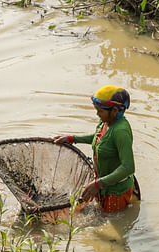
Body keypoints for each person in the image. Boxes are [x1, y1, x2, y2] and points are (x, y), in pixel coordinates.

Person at [53, 85, 140, 213]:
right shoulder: (106, 122)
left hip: (116, 191)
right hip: (102, 182)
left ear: (115, 111)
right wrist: (72, 138)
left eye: (100, 111)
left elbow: (128, 167)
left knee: (111, 221)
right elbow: (99, 139)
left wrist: (98, 184)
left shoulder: (121, 131)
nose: (97, 114)